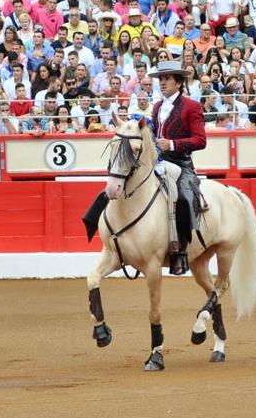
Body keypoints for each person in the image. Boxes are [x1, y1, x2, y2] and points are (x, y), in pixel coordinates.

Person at [81, 60, 206, 275]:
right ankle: (96, 224)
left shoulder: (191, 106)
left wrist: (174, 144)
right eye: (161, 79)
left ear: (178, 82)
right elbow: (152, 134)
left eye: (167, 79)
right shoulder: (157, 106)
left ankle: (179, 252)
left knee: (184, 198)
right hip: (157, 162)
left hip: (181, 164)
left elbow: (200, 140)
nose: (162, 83)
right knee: (120, 181)